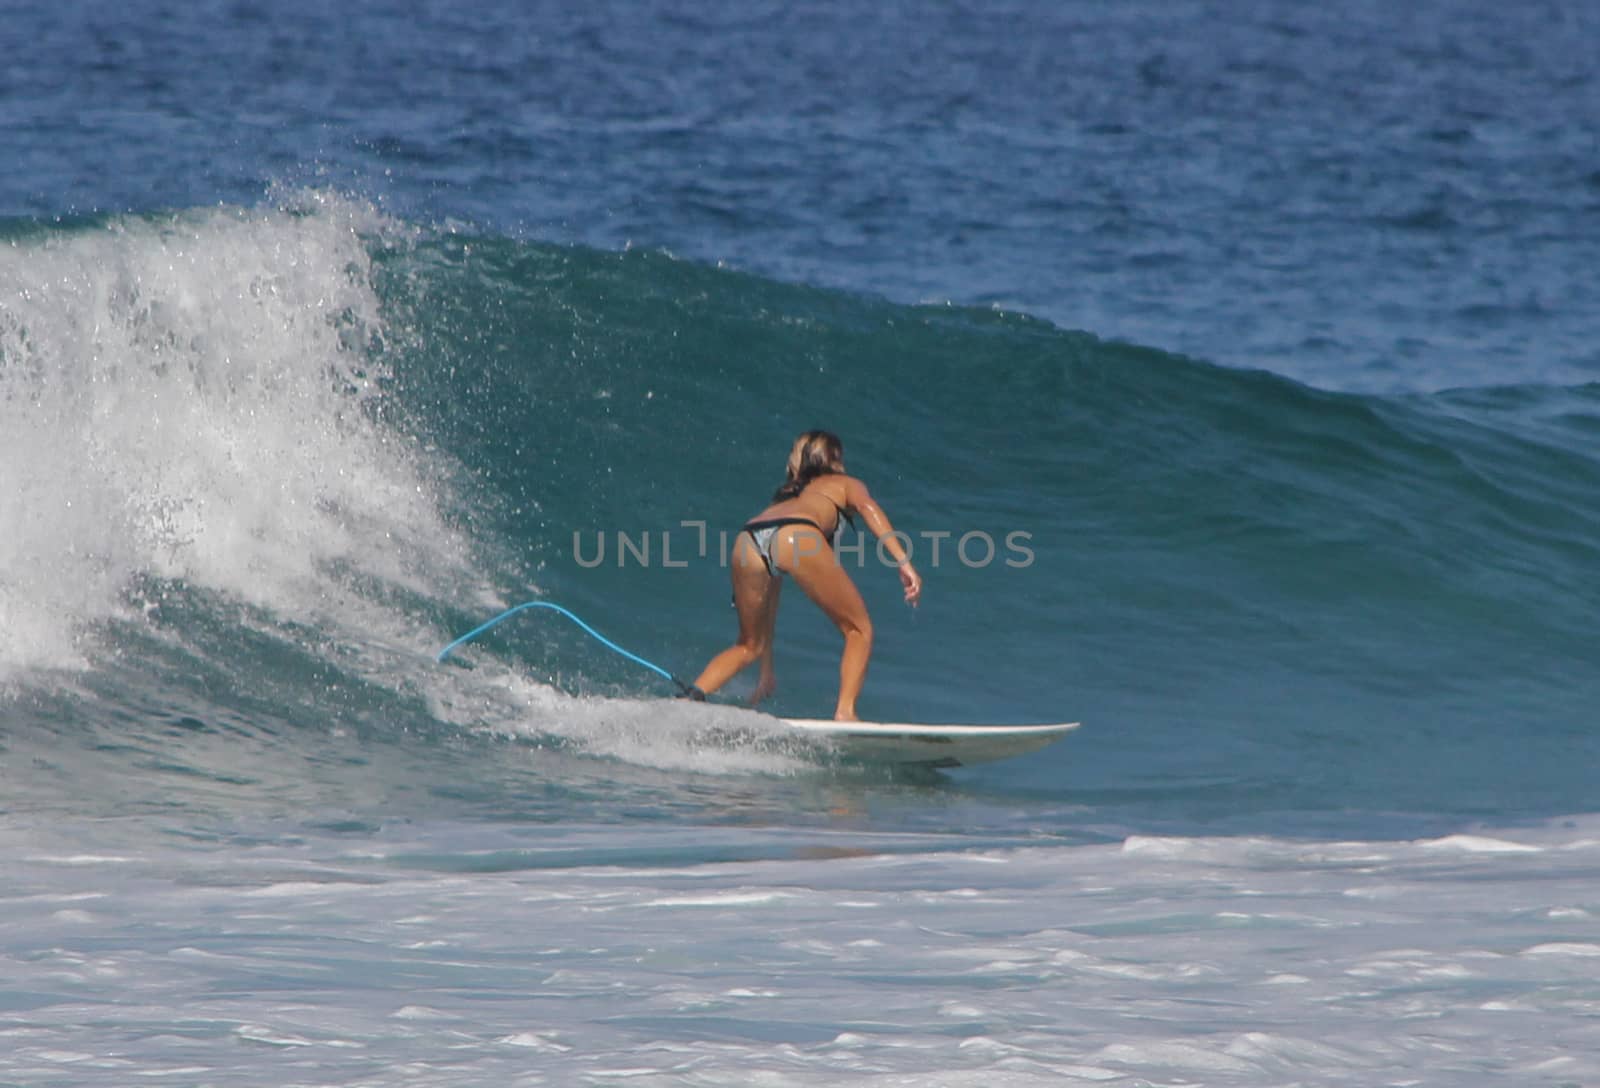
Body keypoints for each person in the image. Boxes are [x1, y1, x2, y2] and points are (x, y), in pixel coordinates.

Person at [688, 430, 921, 721]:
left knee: (748, 645)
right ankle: (845, 713)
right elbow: (867, 507)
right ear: (835, 459)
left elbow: (772, 587)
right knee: (859, 630)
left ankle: (690, 699)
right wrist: (903, 561)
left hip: (748, 540)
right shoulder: (845, 484)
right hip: (796, 535)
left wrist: (765, 668)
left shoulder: (786, 498)